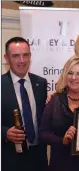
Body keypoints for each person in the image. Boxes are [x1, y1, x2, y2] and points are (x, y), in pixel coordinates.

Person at [1, 37, 48, 171]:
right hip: (10, 159)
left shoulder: (41, 83)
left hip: (39, 158)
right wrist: (4, 133)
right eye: (16, 56)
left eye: (25, 55)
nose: (22, 61)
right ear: (6, 58)